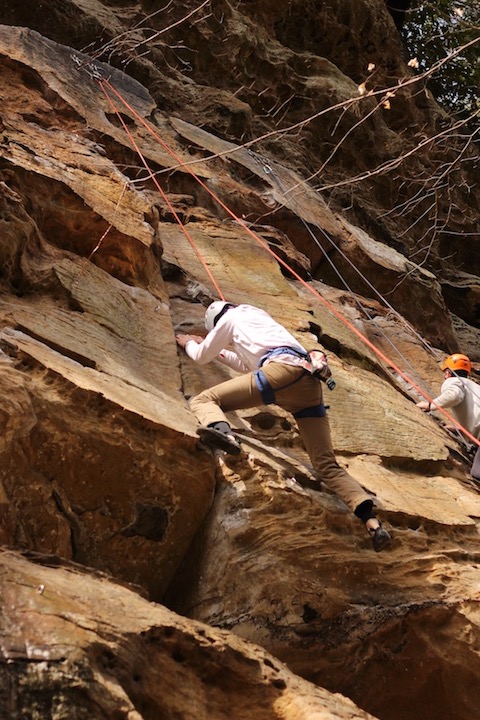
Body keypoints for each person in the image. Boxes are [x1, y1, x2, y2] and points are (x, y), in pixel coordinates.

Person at [176, 301, 392, 551]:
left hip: (280, 375)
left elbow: (202, 356)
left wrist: (189, 343)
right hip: (307, 385)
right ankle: (373, 524)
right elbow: (246, 364)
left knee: (205, 400)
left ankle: (226, 436)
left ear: (216, 321)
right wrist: (223, 352)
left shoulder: (230, 319)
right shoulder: (263, 320)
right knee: (325, 464)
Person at [416, 353, 480, 480]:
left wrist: (430, 405)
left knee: (477, 474)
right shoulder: (475, 387)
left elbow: (454, 396)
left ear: (447, 373)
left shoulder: (453, 381)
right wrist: (459, 429)